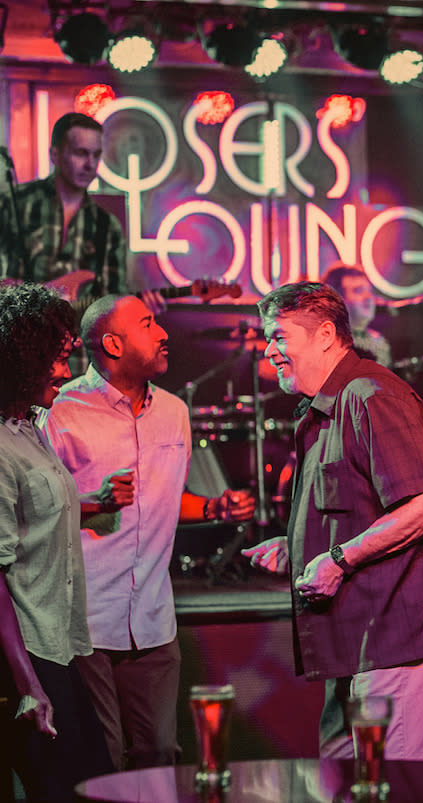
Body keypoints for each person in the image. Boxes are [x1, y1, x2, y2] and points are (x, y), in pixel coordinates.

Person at [241, 281, 423, 761]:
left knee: (400, 789)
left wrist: (334, 559)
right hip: (357, 642)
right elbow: (363, 508)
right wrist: (299, 544)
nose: (269, 352)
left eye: (279, 336)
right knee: (341, 782)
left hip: (393, 640)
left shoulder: (370, 395)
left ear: (326, 334)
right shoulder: (329, 405)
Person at [40, 294, 255, 770]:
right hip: (87, 619)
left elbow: (165, 500)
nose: (163, 333)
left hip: (153, 619)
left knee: (160, 753)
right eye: (147, 323)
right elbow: (33, 516)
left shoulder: (174, 410)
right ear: (113, 343)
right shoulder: (60, 412)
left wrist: (216, 506)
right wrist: (95, 502)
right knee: (104, 759)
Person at [0, 283, 113, 801]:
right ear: (18, 360)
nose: (65, 373)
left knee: (92, 779)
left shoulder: (27, 426)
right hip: (23, 651)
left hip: (56, 641)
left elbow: (38, 516)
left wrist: (93, 504)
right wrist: (28, 686)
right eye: (54, 360)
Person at [0, 113, 127, 300]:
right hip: (14, 325)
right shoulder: (14, 202)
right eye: (80, 153)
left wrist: (134, 306)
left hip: (74, 328)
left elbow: (111, 300)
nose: (90, 164)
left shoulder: (107, 225)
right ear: (54, 155)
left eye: (96, 155)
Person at [321, 263, 392, 367]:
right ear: (337, 301)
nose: (368, 297)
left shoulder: (379, 342)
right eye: (358, 291)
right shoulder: (324, 343)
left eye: (369, 291)